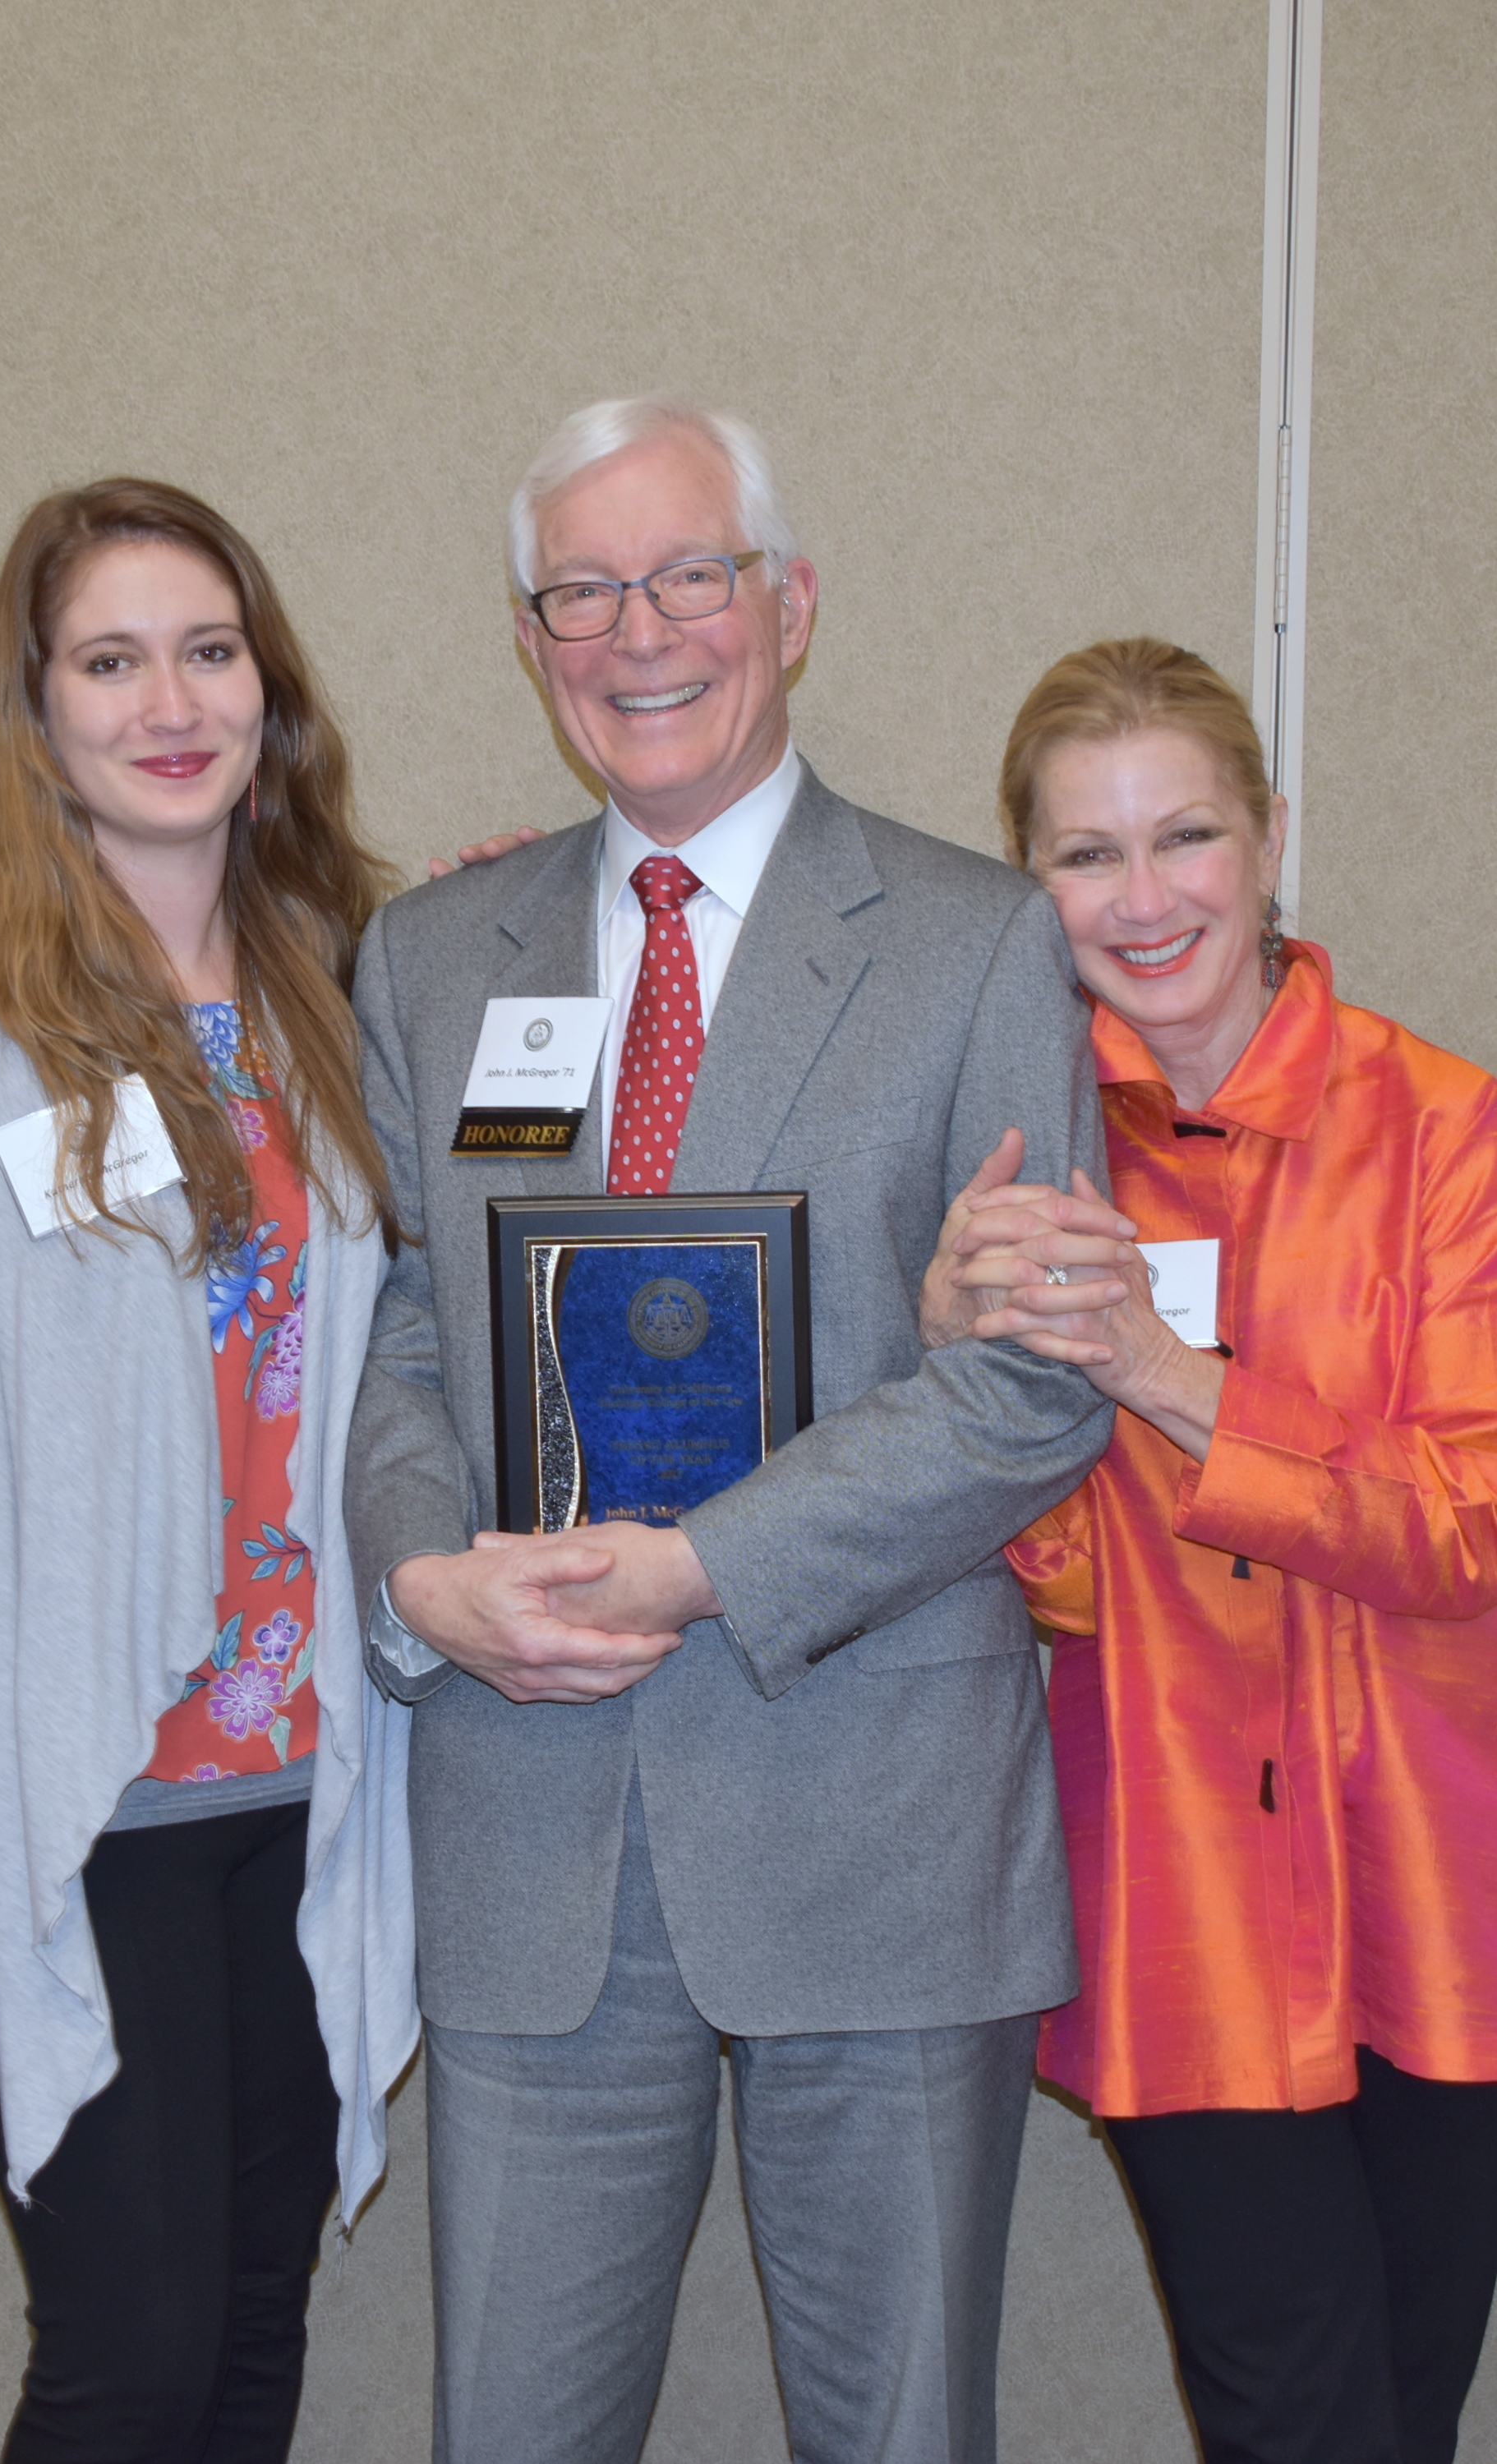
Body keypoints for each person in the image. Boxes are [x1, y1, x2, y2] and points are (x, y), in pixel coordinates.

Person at [343, 394, 1116, 2464]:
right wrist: (419, 1574)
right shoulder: (432, 959)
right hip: (532, 1823)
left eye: (690, 574)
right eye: (581, 593)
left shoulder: (976, 940)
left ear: (789, 605)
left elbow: (1036, 1379)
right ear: (531, 643)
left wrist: (707, 1569)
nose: (640, 632)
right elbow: (400, 1321)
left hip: (880, 1821)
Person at [0, 478, 421, 2463]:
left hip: (302, 1792)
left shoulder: (338, 989)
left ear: (271, 689)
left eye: (208, 651)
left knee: (253, 2329)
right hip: (73, 1808)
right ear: (38, 713)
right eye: (110, 661)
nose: (170, 704)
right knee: (131, 2355)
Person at [919, 638, 1497, 2464]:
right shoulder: (1012, 1174)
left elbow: (1468, 1526)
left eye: (1184, 837)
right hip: (1177, 1898)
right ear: (1027, 884)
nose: (1145, 898)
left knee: (1400, 2413)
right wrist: (954, 1379)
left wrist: (1169, 1380)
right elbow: (1045, 1578)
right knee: (1295, 2422)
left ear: (1269, 838)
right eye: (1085, 855)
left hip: (1449, 1892)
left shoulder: (1449, 1131)